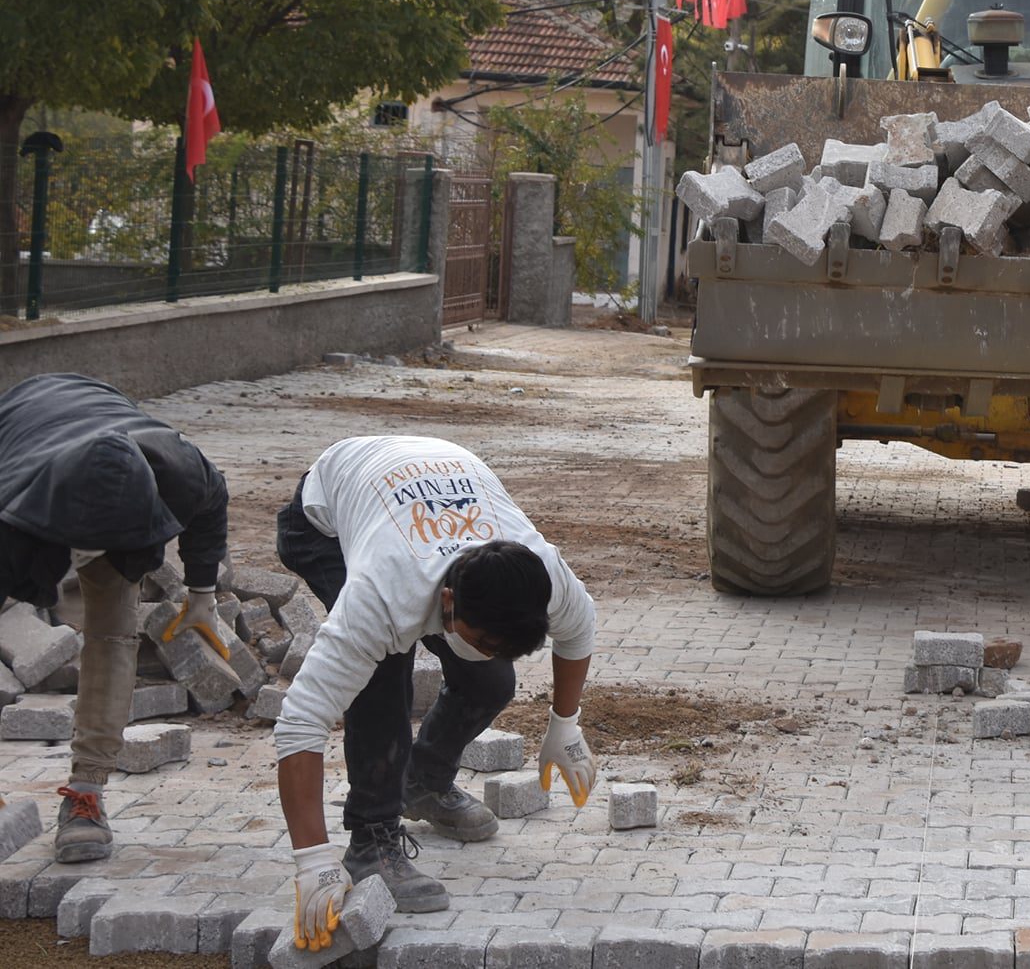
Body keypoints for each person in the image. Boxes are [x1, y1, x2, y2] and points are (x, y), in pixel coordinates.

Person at [272, 435, 598, 954]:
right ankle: (370, 837)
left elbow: (580, 631)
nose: (492, 649)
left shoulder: (542, 570)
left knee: (491, 680)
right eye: (485, 639)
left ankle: (423, 781)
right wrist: (312, 861)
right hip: (325, 522)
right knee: (382, 675)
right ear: (446, 603)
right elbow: (300, 723)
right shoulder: (382, 594)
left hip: (425, 479)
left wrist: (565, 724)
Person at [0, 373, 231, 864]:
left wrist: (202, 595)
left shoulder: (175, 465)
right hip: (27, 464)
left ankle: (86, 795)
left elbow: (213, 502)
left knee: (112, 635)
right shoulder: (10, 513)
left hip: (100, 447)